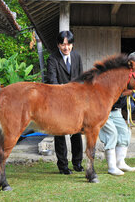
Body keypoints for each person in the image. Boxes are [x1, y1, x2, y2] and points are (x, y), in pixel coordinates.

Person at [99, 51, 135, 175]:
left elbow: (128, 98)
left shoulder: (133, 77)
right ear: (133, 64)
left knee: (125, 132)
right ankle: (111, 167)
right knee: (112, 133)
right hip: (103, 110)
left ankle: (120, 163)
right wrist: (127, 92)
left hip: (115, 111)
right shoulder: (116, 74)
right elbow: (111, 94)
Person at [46, 31, 84, 174]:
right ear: (58, 45)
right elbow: (52, 81)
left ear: (72, 45)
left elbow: (81, 78)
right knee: (60, 133)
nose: (66, 47)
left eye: (68, 44)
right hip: (59, 101)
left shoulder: (77, 56)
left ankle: (77, 163)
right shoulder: (52, 59)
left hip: (75, 102)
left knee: (76, 133)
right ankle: (63, 166)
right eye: (63, 44)